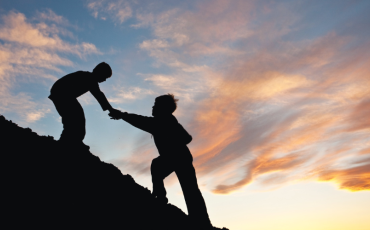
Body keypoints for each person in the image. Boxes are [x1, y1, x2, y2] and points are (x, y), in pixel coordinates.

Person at [110, 94, 212, 228]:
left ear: (163, 108)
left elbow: (186, 138)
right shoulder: (168, 121)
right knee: (189, 188)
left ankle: (162, 198)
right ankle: (199, 219)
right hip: (181, 156)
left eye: (156, 105)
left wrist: (122, 115)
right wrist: (122, 115)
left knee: (183, 184)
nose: (153, 107)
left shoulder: (162, 121)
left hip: (179, 157)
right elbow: (187, 138)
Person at [48, 62, 121, 149]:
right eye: (105, 77)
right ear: (99, 72)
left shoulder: (88, 77)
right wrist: (111, 109)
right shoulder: (90, 78)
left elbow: (99, 94)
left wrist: (110, 109)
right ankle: (72, 142)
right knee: (76, 116)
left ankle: (72, 141)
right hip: (62, 93)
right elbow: (99, 95)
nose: (104, 80)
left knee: (72, 117)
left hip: (61, 93)